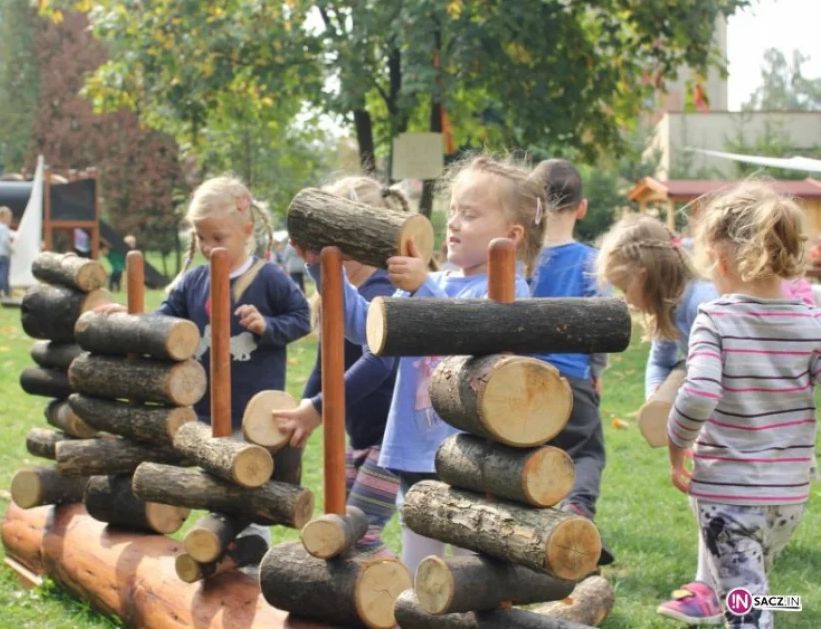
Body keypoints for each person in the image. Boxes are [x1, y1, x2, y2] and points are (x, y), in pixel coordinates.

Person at [297, 155, 547, 572]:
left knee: (471, 566)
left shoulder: (508, 290)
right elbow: (368, 330)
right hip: (418, 452)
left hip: (473, 458)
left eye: (469, 214)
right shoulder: (438, 283)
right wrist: (326, 271)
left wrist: (422, 287)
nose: (453, 223)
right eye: (452, 211)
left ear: (512, 234)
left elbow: (469, 336)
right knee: (419, 570)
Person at [101, 176, 311, 547]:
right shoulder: (192, 282)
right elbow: (163, 322)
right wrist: (132, 319)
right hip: (203, 412)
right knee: (216, 488)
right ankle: (219, 550)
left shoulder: (269, 278)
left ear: (246, 231)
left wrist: (267, 326)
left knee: (249, 485)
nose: (208, 246)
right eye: (202, 238)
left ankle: (252, 551)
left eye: (218, 238)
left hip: (252, 414)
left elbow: (301, 318)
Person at [667, 182, 818, 629]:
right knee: (748, 590)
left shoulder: (716, 318)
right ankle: (769, 607)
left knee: (746, 609)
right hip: (789, 497)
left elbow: (698, 393)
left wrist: (677, 445)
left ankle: (756, 612)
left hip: (730, 494)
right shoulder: (811, 321)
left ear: (723, 259)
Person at [596, 213, 721, 624]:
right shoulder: (670, 308)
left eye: (624, 286)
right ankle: (723, 588)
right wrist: (656, 401)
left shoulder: (702, 301)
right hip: (706, 419)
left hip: (726, 418)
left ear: (646, 275)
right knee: (705, 498)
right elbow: (662, 359)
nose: (625, 298)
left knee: (714, 500)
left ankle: (719, 590)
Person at [274, 177, 405, 557]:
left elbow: (379, 362)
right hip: (361, 439)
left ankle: (390, 607)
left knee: (358, 533)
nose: (323, 247)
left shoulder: (383, 289)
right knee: (338, 530)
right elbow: (323, 366)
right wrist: (303, 410)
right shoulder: (336, 290)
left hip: (393, 443)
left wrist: (318, 409)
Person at [528, 159, 613, 565]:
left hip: (521, 383)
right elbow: (601, 326)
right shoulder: (594, 262)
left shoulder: (522, 259)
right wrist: (596, 373)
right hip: (573, 378)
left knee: (530, 457)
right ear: (582, 208)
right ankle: (577, 509)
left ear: (534, 208)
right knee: (585, 453)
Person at [0, 206, 16, 299]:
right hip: (4, 254)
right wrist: (12, 250)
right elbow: (5, 241)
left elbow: (10, 234)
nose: (9, 219)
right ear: (2, 216)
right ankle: (6, 292)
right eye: (8, 217)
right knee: (4, 274)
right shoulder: (3, 227)